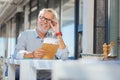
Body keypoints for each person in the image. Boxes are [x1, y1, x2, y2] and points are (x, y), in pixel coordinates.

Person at [13, 8, 69, 80]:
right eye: (42, 18)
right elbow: (16, 54)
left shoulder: (55, 37)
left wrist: (58, 33)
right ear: (38, 19)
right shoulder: (25, 35)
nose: (45, 21)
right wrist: (32, 54)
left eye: (48, 20)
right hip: (29, 75)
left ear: (52, 23)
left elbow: (64, 56)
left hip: (50, 76)